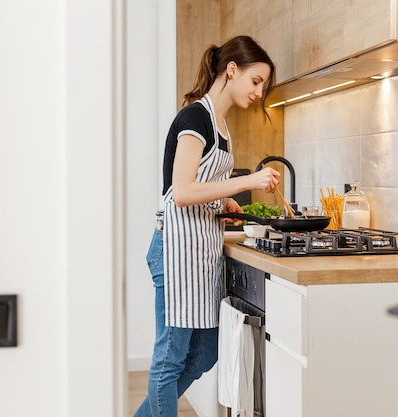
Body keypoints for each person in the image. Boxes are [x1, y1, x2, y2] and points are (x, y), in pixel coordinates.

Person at [134, 35, 280, 417]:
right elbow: (180, 192)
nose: (258, 91)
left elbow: (197, 185)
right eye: (256, 81)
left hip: (198, 250)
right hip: (175, 251)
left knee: (207, 350)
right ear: (232, 70)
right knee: (169, 359)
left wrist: (222, 201)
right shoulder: (195, 118)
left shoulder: (222, 126)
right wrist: (248, 183)